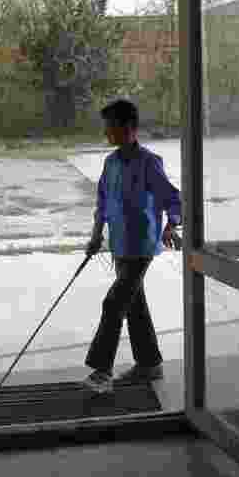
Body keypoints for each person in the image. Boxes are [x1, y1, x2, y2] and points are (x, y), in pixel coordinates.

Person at [82, 99, 182, 394]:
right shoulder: (110, 163)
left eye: (111, 127)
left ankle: (101, 371)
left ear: (129, 128)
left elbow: (172, 198)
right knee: (134, 305)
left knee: (113, 303)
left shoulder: (149, 162)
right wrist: (95, 236)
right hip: (119, 246)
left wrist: (171, 223)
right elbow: (102, 204)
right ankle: (150, 364)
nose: (107, 133)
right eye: (106, 128)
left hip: (141, 247)